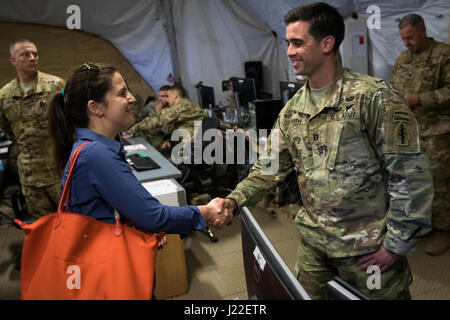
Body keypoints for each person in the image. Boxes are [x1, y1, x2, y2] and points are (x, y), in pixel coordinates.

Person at [217, 2, 433, 300]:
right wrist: (233, 201)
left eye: (297, 42)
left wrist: (396, 245)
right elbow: (269, 168)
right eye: (287, 43)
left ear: (327, 43)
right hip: (314, 249)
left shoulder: (373, 97)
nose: (289, 51)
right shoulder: (293, 109)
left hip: (366, 251)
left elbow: (410, 174)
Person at [48, 62, 227, 239]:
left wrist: (139, 227)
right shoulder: (96, 155)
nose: (132, 98)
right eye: (122, 93)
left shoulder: (91, 148)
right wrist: (207, 211)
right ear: (95, 107)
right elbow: (156, 217)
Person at [391, 14, 450, 256]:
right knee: (416, 183)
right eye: (403, 38)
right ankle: (425, 224)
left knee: (439, 184)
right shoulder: (403, 59)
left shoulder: (443, 55)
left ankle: (445, 231)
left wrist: (421, 99)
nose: (406, 43)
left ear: (423, 30)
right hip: (410, 133)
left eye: (410, 37)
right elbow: (394, 89)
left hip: (438, 132)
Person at [0, 39, 65, 218]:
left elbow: (70, 121)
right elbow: (8, 129)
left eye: (35, 54)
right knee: (42, 227)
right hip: (30, 176)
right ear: (13, 61)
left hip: (58, 171)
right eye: (26, 54)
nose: (33, 58)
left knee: (71, 222)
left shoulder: (56, 85)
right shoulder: (5, 95)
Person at [129, 85, 205, 150]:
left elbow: (158, 120)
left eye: (168, 96)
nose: (167, 99)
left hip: (193, 144)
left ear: (175, 95)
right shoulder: (183, 104)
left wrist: (134, 129)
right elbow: (171, 128)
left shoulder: (181, 106)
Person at [131, 85, 174, 150]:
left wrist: (159, 113)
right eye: (159, 96)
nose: (160, 99)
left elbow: (167, 131)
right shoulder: (152, 104)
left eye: (163, 96)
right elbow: (139, 117)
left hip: (157, 139)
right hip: (143, 134)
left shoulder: (172, 110)